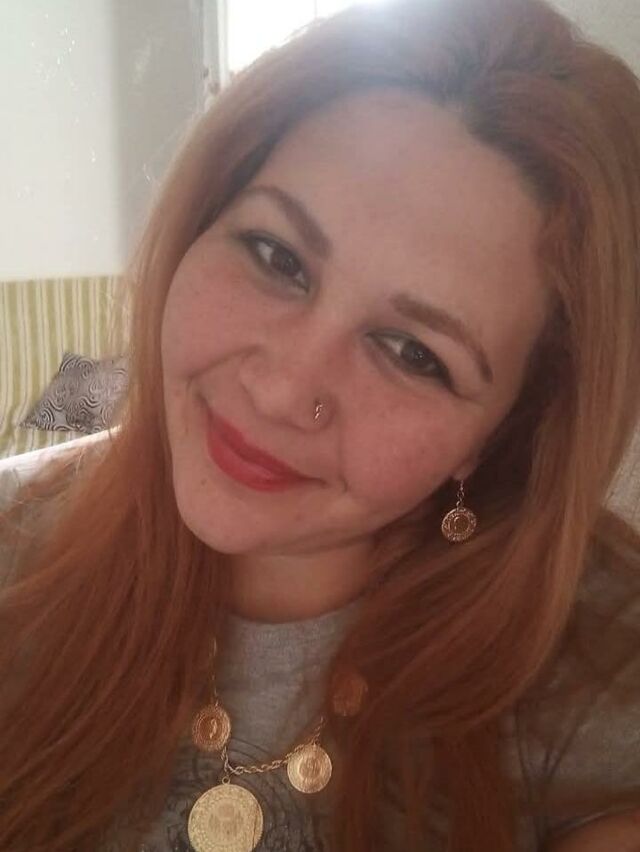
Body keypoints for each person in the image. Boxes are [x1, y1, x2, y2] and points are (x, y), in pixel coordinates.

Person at [1, 0, 640, 849]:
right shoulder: (15, 547)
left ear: (509, 431)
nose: (280, 389)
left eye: (413, 352)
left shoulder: (600, 689)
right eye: (277, 256)